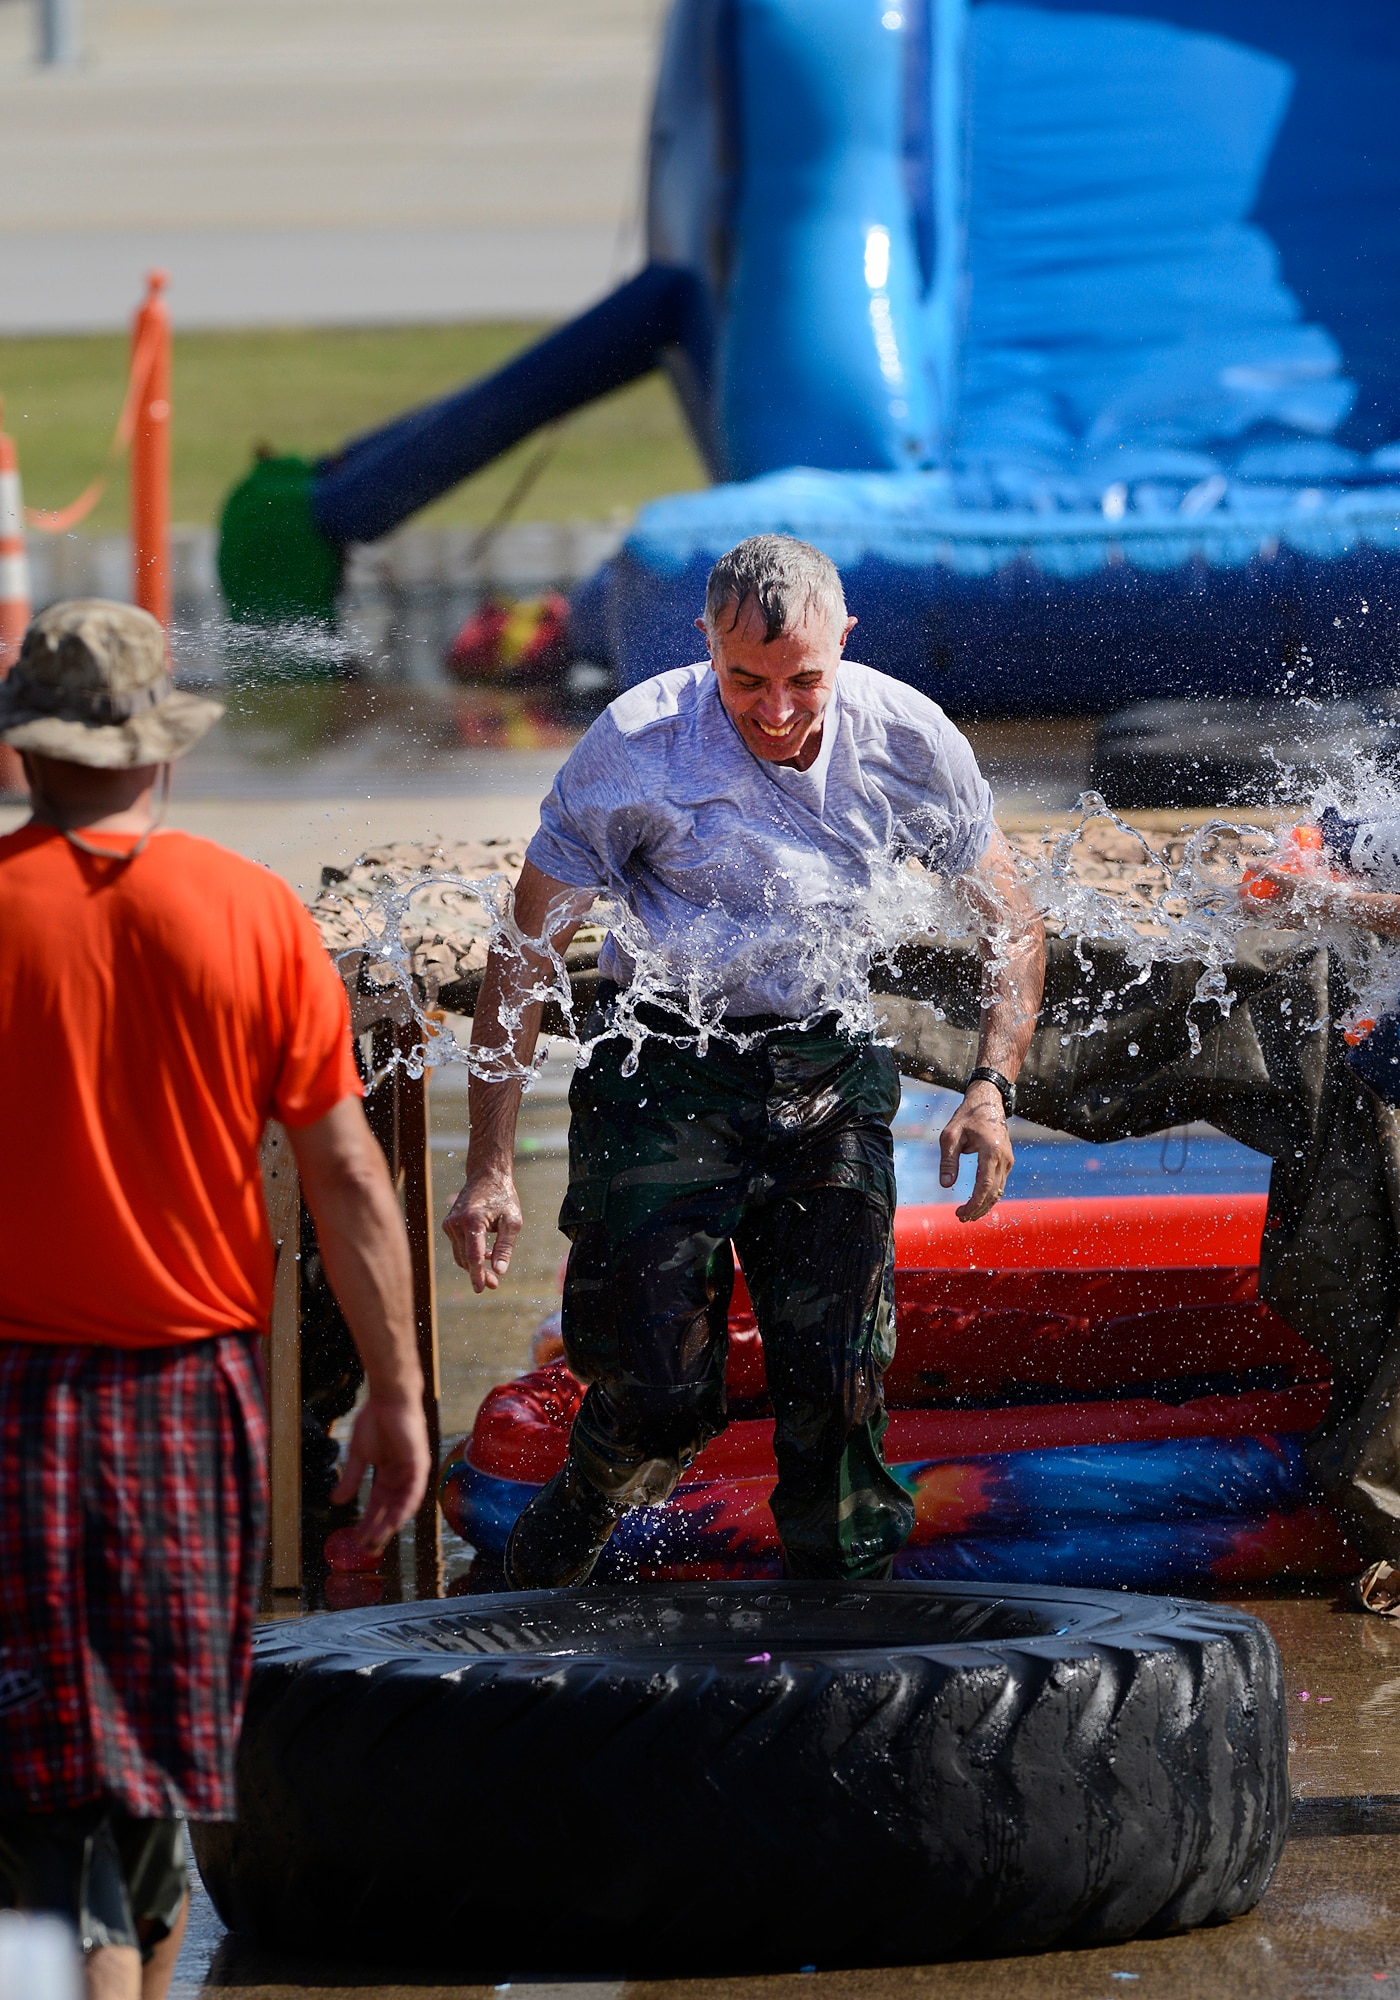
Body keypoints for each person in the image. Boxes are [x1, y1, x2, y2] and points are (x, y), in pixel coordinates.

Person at [444, 535, 1044, 1589]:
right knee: (658, 1394)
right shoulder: (634, 746)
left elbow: (1015, 926)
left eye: (802, 679)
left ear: (843, 644)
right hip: (663, 1067)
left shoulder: (907, 738)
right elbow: (524, 957)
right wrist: (489, 1166)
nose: (775, 710)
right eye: (744, 680)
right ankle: (565, 1534)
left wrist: (990, 1086)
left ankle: (849, 1650)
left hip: (826, 1068)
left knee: (839, 1386)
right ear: (704, 645)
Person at [0, 601, 431, 2000]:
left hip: (10, 1405)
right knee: (149, 1795)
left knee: (39, 1817)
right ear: (162, 752)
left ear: (27, 754)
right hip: (192, 1403)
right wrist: (400, 1393)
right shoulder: (250, 912)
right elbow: (351, 1177)